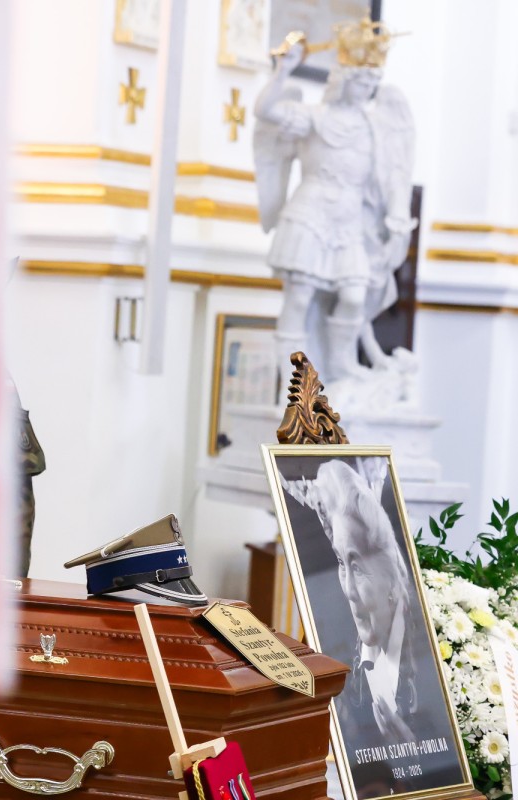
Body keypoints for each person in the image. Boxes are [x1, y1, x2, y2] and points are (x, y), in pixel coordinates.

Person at [253, 20, 415, 396]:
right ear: (344, 79)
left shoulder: (374, 127)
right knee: (299, 296)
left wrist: (396, 222)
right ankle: (294, 377)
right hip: (309, 214)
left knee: (354, 295)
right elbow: (265, 110)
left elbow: (392, 176)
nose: (367, 89)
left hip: (349, 222)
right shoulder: (314, 117)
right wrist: (283, 70)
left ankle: (342, 366)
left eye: (373, 82)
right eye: (361, 81)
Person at [283, 459, 418, 742]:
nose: (349, 590)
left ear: (390, 575)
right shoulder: (341, 650)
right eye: (341, 563)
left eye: (356, 566)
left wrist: (411, 748)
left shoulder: (423, 650)